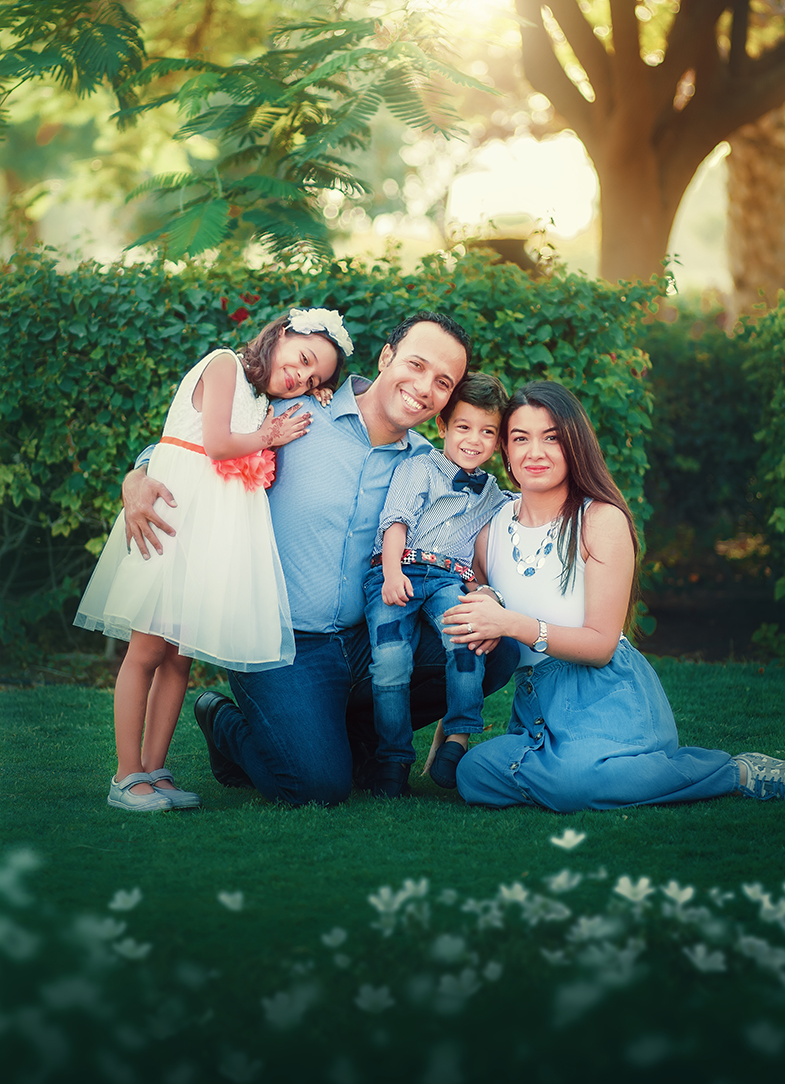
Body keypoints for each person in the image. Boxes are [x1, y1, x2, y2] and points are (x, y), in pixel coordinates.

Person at [120, 312, 519, 809]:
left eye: (443, 382)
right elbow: (197, 437)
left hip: (369, 637)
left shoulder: (427, 462)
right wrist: (138, 475)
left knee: (493, 645)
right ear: (387, 357)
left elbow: (472, 531)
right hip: (282, 644)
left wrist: (486, 595)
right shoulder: (295, 413)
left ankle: (353, 736)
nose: (424, 388)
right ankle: (225, 722)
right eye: (416, 365)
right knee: (316, 787)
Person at [440, 381, 785, 811]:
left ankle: (734, 772)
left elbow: (601, 645)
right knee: (472, 774)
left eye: (552, 438)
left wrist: (513, 624)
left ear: (574, 445)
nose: (535, 452)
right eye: (520, 438)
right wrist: (453, 716)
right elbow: (475, 623)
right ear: (505, 450)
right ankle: (568, 775)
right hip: (535, 706)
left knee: (577, 780)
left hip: (606, 693)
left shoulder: (600, 520)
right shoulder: (490, 531)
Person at [76, 308, 350, 813]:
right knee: (146, 650)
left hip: (207, 536)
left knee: (179, 658)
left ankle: (155, 769)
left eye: (314, 379)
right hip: (175, 523)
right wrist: (270, 436)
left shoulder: (263, 400)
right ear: (281, 334)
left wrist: (318, 395)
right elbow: (218, 444)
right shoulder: (224, 364)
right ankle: (125, 774)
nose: (301, 377)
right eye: (303, 359)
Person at [363, 372, 511, 797]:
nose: (474, 440)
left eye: (487, 432)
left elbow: (525, 509)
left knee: (465, 642)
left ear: (498, 441)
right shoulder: (419, 468)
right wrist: (391, 572)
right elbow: (396, 521)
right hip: (398, 570)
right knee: (391, 659)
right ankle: (393, 758)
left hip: (448, 579)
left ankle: (458, 740)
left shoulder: (492, 493)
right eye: (464, 427)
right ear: (443, 426)